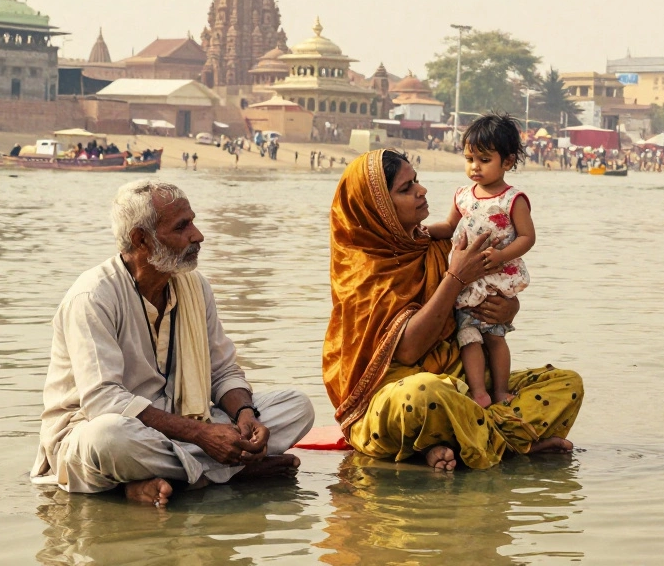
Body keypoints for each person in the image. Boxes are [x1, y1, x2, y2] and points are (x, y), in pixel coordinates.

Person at [31, 180, 315, 506]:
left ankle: (163, 479)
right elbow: (103, 402)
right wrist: (203, 436)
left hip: (185, 421)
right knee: (108, 437)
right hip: (99, 430)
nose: (198, 235)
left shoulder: (195, 287)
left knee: (297, 407)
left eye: (193, 222)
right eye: (183, 226)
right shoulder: (93, 296)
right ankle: (225, 473)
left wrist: (245, 416)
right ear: (142, 239)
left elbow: (222, 372)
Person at [322, 149, 579, 471]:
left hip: (464, 384)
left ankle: (455, 441)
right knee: (424, 393)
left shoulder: (441, 245)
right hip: (391, 396)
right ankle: (511, 441)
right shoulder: (362, 268)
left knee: (564, 383)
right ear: (378, 209)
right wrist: (455, 278)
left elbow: (485, 296)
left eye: (416, 180)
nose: (421, 190)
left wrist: (508, 309)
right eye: (405, 188)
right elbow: (409, 349)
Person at [425, 114, 535, 408]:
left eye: (484, 159)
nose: (475, 166)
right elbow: (448, 228)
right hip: (467, 280)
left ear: (507, 162)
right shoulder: (462, 196)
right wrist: (423, 231)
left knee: (495, 336)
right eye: (470, 158)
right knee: (468, 336)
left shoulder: (512, 199)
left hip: (495, 278)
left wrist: (501, 255)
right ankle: (478, 392)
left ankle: (500, 389)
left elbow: (527, 237)